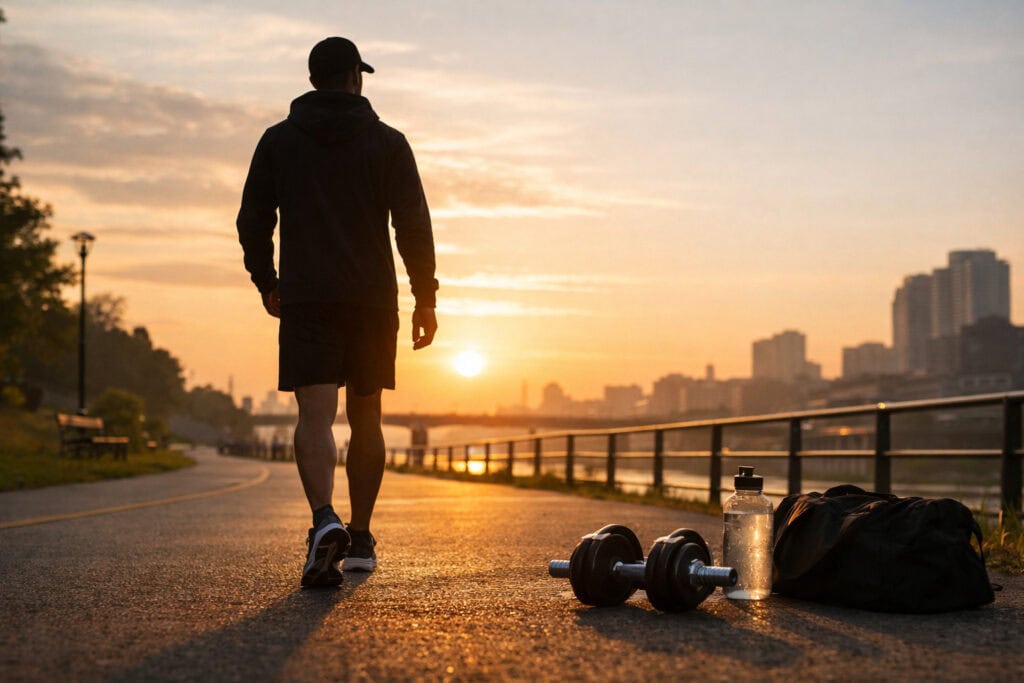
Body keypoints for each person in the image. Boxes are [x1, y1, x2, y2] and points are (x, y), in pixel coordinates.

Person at [237, 37, 438, 588]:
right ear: (355, 77)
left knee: (315, 416)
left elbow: (252, 221)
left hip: (307, 297)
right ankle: (363, 535)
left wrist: (268, 281)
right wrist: (426, 297)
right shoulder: (389, 143)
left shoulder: (277, 142)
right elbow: (413, 225)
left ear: (311, 79)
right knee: (365, 417)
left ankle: (323, 519)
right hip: (372, 299)